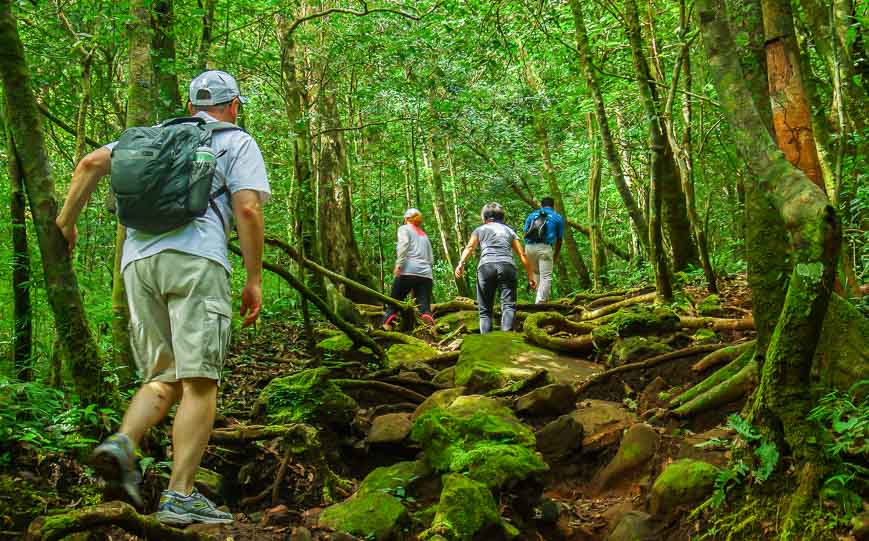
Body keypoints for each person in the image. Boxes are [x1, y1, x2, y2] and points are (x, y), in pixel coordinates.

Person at [55, 70, 270, 526]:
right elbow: (248, 208)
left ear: (191, 107)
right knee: (199, 380)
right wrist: (254, 278)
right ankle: (180, 495)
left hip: (138, 263)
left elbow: (90, 164)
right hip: (197, 262)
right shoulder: (235, 141)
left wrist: (66, 221)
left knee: (163, 375)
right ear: (233, 106)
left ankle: (123, 442)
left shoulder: (152, 137)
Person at [455, 203, 536, 333]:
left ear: (484, 217)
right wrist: (530, 275)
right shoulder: (509, 231)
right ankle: (507, 336)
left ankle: (487, 341)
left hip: (486, 266)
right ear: (501, 217)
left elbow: (470, 247)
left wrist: (461, 263)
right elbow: (522, 254)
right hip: (507, 266)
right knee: (509, 305)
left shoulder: (480, 230)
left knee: (485, 310)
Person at [382, 208, 435, 330]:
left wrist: (399, 264)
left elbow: (403, 246)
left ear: (407, 219)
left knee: (394, 301)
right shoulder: (424, 235)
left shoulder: (404, 229)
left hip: (408, 271)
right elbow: (431, 257)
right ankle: (428, 330)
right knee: (424, 306)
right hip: (426, 274)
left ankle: (387, 326)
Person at [523, 196, 564, 304]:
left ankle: (540, 300)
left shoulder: (532, 215)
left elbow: (525, 233)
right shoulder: (557, 217)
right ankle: (540, 303)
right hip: (544, 248)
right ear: (553, 206)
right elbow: (559, 239)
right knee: (546, 276)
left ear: (541, 205)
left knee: (536, 273)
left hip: (529, 247)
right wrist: (556, 254)